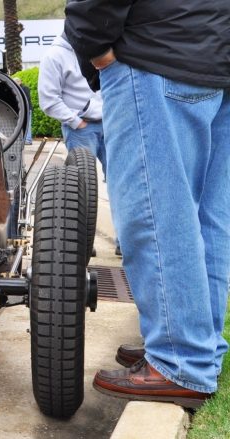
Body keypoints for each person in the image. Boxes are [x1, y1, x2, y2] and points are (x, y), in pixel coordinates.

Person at [65, 0, 230, 409]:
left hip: (157, 54)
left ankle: (181, 359)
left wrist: (96, 49)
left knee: (156, 213)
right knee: (207, 220)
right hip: (216, 58)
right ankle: (198, 346)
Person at [38, 33, 106, 175]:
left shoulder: (95, 47)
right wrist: (76, 122)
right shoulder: (53, 56)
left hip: (109, 123)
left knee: (121, 178)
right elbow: (49, 100)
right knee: (84, 184)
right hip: (81, 129)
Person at [14, 77, 33, 145]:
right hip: (23, 109)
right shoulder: (20, 88)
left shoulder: (25, 88)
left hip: (27, 109)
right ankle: (25, 139)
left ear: (20, 82)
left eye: (16, 82)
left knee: (28, 124)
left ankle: (28, 140)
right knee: (24, 124)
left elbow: (26, 99)